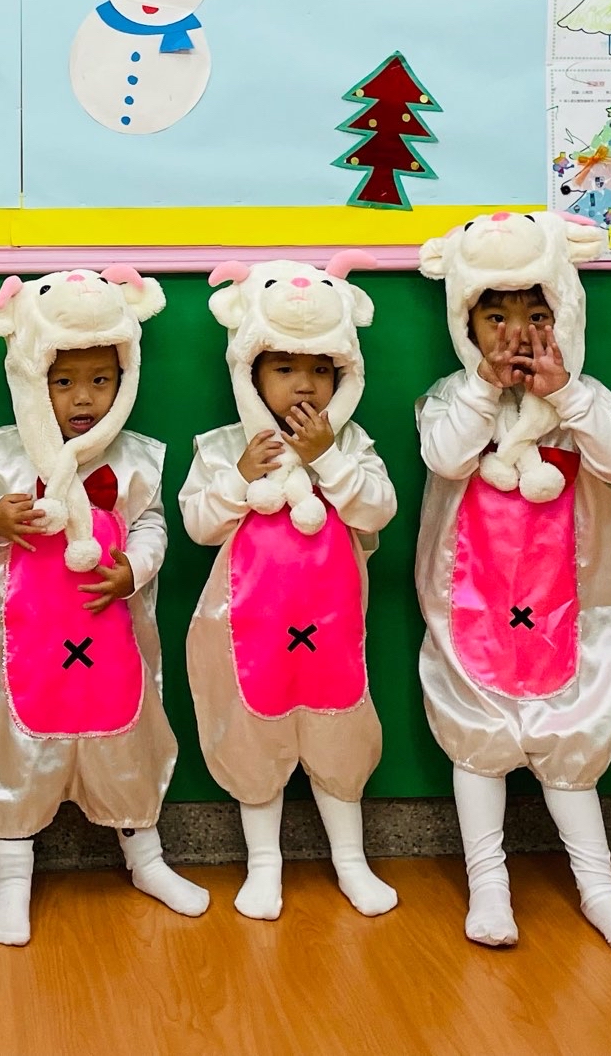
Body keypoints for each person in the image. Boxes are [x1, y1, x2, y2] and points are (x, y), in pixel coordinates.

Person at [415, 211, 611, 957]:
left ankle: (599, 888)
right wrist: (484, 390)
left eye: (538, 314)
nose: (518, 333)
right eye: (496, 316)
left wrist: (569, 395)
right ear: (466, 323)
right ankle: (488, 883)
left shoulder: (587, 396)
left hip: (568, 614)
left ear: (566, 315)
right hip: (474, 609)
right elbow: (446, 457)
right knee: (478, 744)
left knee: (569, 739)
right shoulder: (451, 396)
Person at [0, 267, 209, 945]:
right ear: (30, 378)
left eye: (101, 379)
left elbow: (151, 524)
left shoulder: (135, 460)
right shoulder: (0, 453)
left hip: (108, 640)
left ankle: (146, 859)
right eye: (63, 380)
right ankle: (13, 878)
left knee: (124, 738)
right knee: (17, 746)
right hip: (28, 644)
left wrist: (135, 568)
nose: (83, 397)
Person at [182, 257, 400, 921]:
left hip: (332, 634)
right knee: (255, 734)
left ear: (344, 376)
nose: (304, 383)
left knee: (339, 733)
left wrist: (328, 457)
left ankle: (351, 860)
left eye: (321, 369)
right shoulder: (223, 446)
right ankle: (264, 863)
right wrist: (240, 477)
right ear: (250, 374)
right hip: (248, 632)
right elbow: (199, 524)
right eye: (283, 368)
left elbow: (378, 511)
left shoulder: (351, 443)